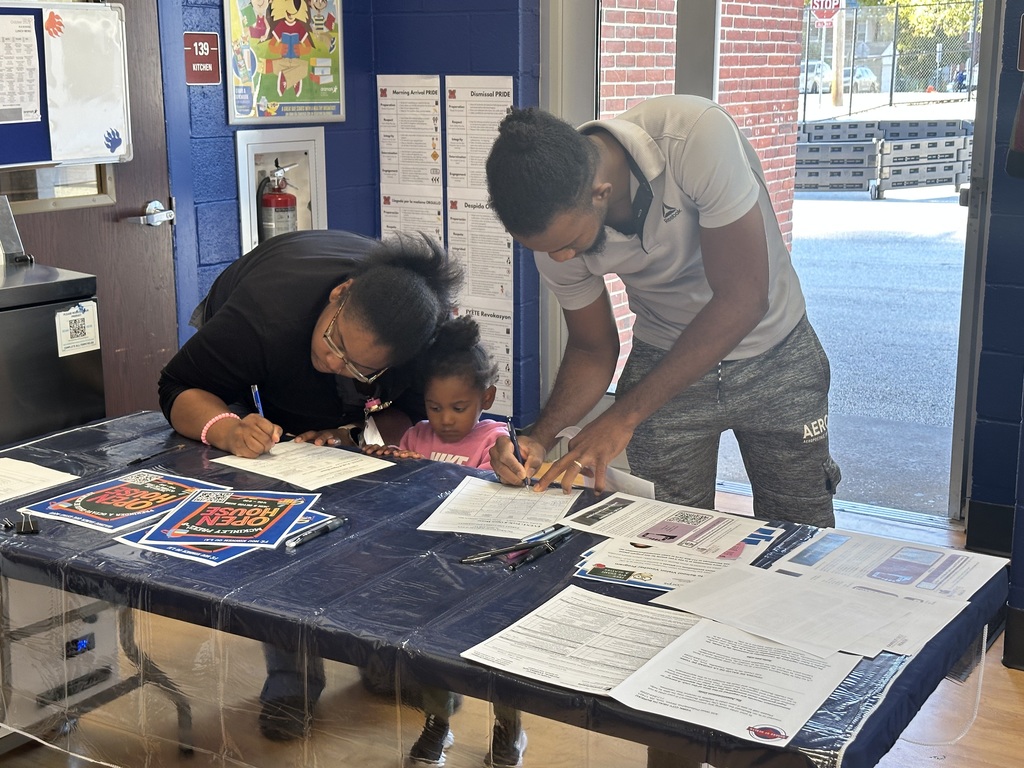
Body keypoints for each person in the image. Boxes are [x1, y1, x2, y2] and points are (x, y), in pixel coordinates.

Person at [157, 228, 463, 741]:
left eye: (357, 366)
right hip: (264, 331)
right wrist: (229, 429)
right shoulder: (261, 317)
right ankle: (291, 678)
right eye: (335, 343)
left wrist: (352, 433)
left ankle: (383, 657)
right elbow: (179, 387)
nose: (333, 363)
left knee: (381, 513)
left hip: (352, 402)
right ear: (339, 295)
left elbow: (411, 409)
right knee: (281, 518)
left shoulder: (426, 337)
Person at [484, 96, 840, 530]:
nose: (561, 258)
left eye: (570, 244)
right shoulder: (554, 240)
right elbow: (592, 348)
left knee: (801, 532)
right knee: (661, 537)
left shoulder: (694, 137)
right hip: (664, 358)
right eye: (545, 250)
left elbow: (743, 299)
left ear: (601, 193)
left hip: (775, 352)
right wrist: (537, 437)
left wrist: (622, 416)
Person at [363, 316, 527, 768]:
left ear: (486, 398)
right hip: (429, 567)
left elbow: (510, 489)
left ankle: (508, 728)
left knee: (495, 652)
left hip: (485, 568)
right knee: (431, 650)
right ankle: (438, 723)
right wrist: (394, 463)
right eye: (435, 407)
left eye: (459, 407)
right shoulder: (416, 435)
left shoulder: (496, 440)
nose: (446, 420)